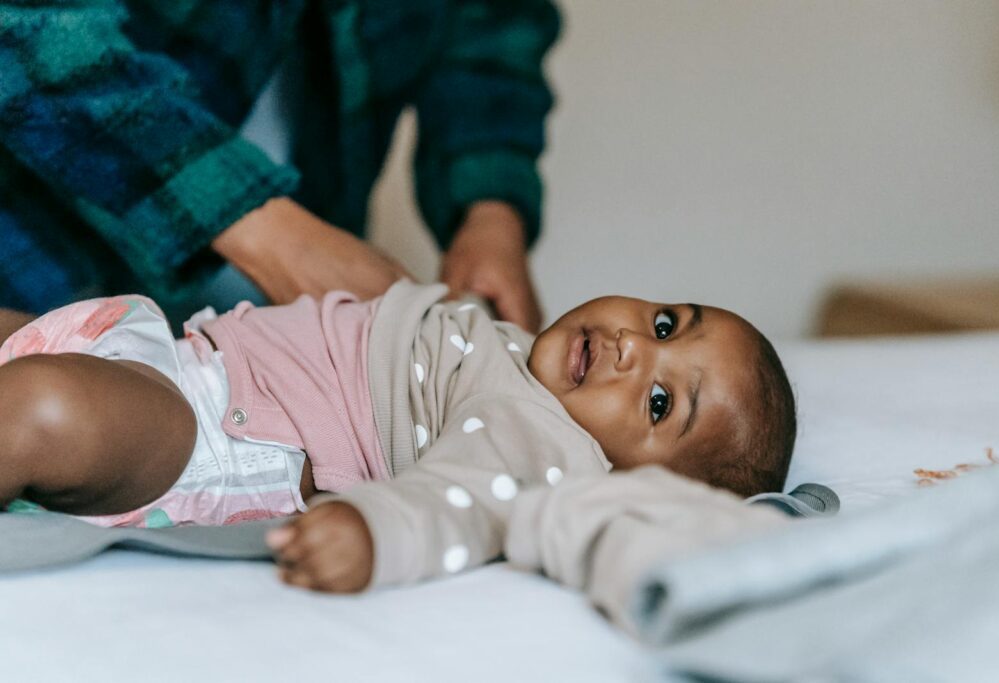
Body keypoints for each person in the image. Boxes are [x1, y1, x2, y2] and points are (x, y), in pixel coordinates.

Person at [0, 279, 796, 591]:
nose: (635, 347)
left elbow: (466, 500)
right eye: (666, 323)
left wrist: (376, 532)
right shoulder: (527, 358)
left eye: (660, 403)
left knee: (42, 409)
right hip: (172, 358)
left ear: (635, 481)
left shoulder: (543, 435)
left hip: (213, 435)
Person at [0, 0, 556, 331]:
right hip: (31, 258)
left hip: (284, 315)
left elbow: (491, 24)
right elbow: (26, 24)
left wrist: (489, 212)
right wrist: (266, 232)